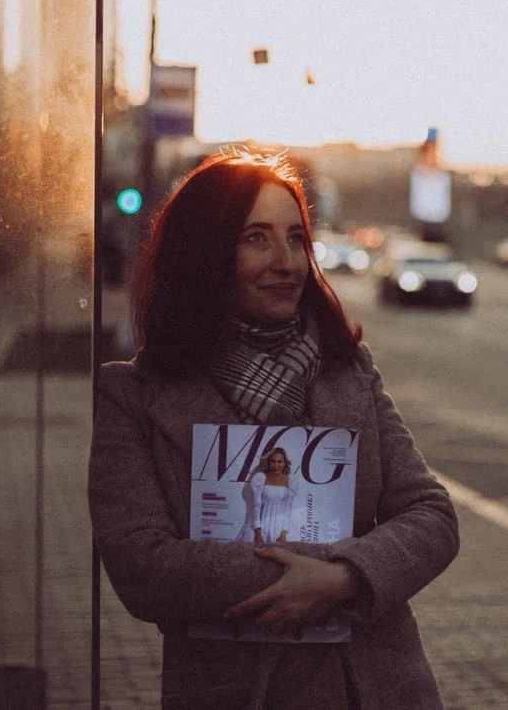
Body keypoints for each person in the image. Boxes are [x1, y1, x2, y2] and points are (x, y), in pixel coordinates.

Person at [89, 149, 459, 709]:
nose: (285, 261)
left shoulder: (348, 370)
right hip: (233, 690)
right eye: (256, 238)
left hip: (373, 687)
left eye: (296, 238)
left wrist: (342, 579)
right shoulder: (135, 397)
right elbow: (142, 566)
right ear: (205, 254)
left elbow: (432, 516)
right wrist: (297, 574)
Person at [238, 448, 298, 544]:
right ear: (269, 462)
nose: (276, 466)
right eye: (273, 461)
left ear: (285, 463)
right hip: (262, 524)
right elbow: (256, 507)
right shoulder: (260, 478)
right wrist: (257, 531)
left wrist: (284, 532)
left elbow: (288, 509)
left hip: (280, 527)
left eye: (279, 462)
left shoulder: (291, 481)